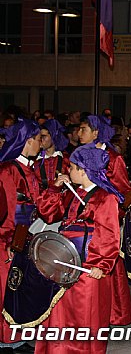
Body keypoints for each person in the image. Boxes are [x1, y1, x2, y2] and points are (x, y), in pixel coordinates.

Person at [35, 145, 123, 354]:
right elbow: (48, 214)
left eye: (72, 167)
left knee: (84, 315)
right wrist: (55, 188)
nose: (68, 171)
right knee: (60, 312)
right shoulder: (72, 193)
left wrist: (101, 264)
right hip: (64, 260)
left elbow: (109, 235)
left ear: (84, 170)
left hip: (88, 264)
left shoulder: (105, 197)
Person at [77, 115, 131, 326]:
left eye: (83, 129)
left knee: (108, 264)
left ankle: (114, 314)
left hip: (106, 216)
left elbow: (123, 190)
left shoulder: (114, 158)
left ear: (96, 133)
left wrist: (107, 211)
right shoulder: (77, 156)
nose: (78, 133)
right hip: (84, 219)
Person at [0, 119, 41, 352]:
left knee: (21, 287)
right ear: (27, 142)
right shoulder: (8, 170)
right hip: (9, 239)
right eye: (38, 139)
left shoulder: (28, 167)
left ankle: (19, 336)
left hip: (25, 236)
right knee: (8, 288)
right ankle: (7, 340)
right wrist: (8, 240)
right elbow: (7, 207)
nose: (41, 143)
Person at [35, 119, 70, 191]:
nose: (40, 140)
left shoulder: (67, 159)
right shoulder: (34, 161)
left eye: (44, 136)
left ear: (53, 137)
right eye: (40, 137)